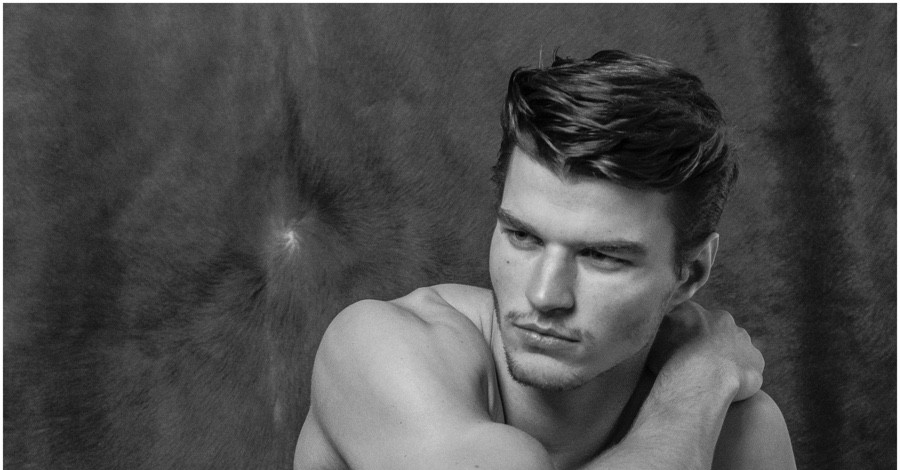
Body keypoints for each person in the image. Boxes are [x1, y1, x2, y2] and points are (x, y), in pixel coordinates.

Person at [294, 50, 796, 470]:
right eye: (523, 236)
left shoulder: (738, 437)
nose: (544, 295)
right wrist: (697, 382)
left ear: (692, 272)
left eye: (601, 256)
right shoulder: (382, 346)